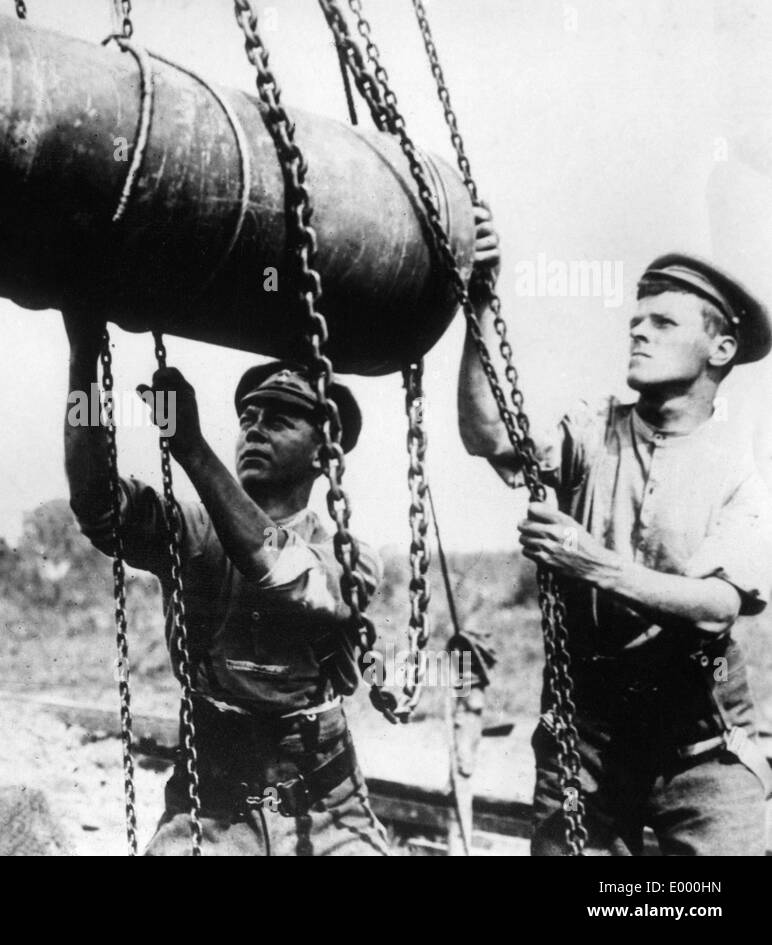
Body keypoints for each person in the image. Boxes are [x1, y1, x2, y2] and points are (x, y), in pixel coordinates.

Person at [458, 212, 772, 855]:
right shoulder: (594, 427)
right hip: (588, 743)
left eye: (663, 323)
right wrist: (481, 305)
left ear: (721, 350)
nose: (638, 332)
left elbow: (717, 607)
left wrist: (589, 561)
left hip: (702, 749)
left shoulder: (747, 462)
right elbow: (485, 434)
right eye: (636, 321)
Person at [62, 311, 390, 856]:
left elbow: (282, 575)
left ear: (322, 452)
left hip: (327, 806)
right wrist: (82, 366)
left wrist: (191, 449)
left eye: (280, 419)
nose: (255, 427)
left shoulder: (350, 557)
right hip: (210, 801)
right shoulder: (191, 529)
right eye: (248, 416)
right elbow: (97, 505)